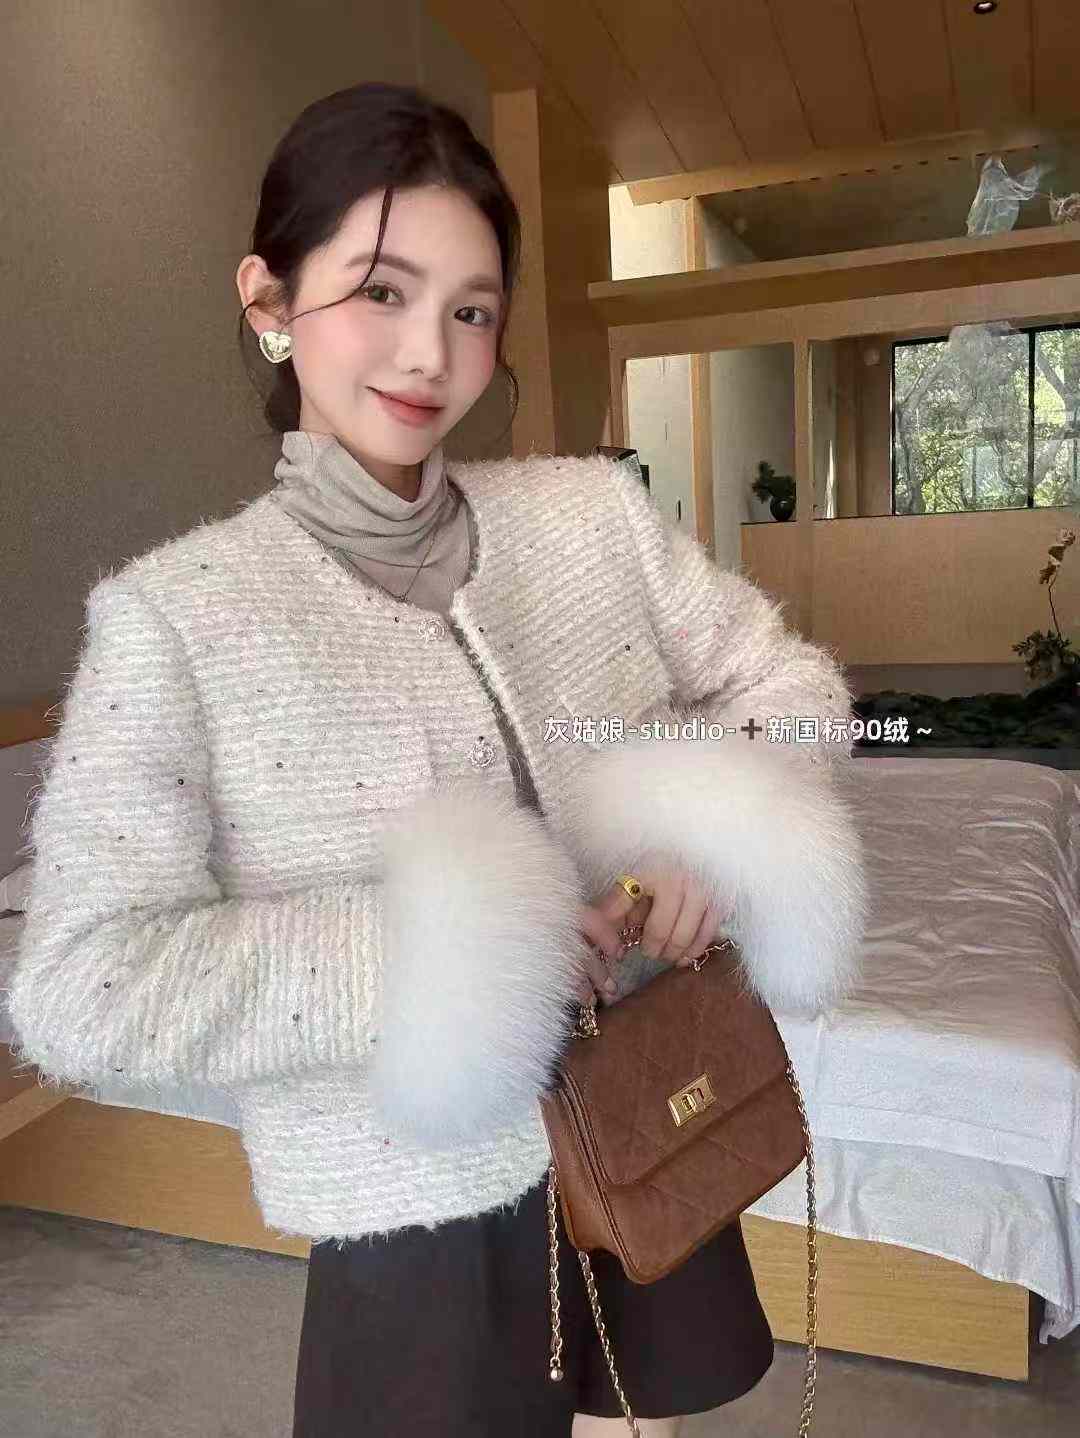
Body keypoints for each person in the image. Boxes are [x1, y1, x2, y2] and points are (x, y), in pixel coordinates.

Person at [8, 82, 869, 1438]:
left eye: (472, 310)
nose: (429, 354)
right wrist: (444, 954)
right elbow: (79, 985)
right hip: (411, 1193)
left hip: (649, 1096)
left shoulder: (591, 519)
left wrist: (714, 829)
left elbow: (791, 688)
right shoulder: (178, 619)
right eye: (381, 292)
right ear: (269, 299)